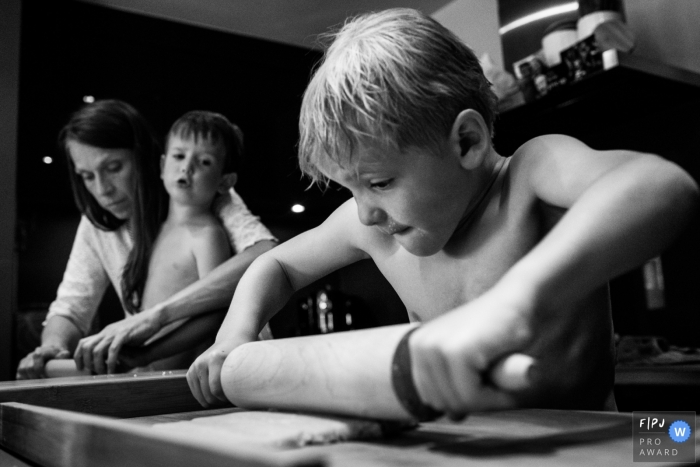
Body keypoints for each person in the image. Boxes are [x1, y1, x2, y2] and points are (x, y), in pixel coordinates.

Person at [186, 8, 698, 416]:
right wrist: (235, 337)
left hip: (593, 436)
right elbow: (274, 264)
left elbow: (658, 184)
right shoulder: (376, 229)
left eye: (380, 182)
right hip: (467, 447)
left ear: (468, 141)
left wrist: (515, 303)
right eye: (350, 189)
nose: (364, 213)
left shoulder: (530, 176)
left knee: (677, 441)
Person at [16, 100, 276, 379]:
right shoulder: (102, 223)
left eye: (114, 167)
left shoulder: (199, 196)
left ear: (145, 159)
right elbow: (71, 305)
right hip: (150, 376)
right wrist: (52, 346)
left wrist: (155, 318)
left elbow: (265, 254)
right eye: (87, 176)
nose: (102, 190)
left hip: (224, 373)